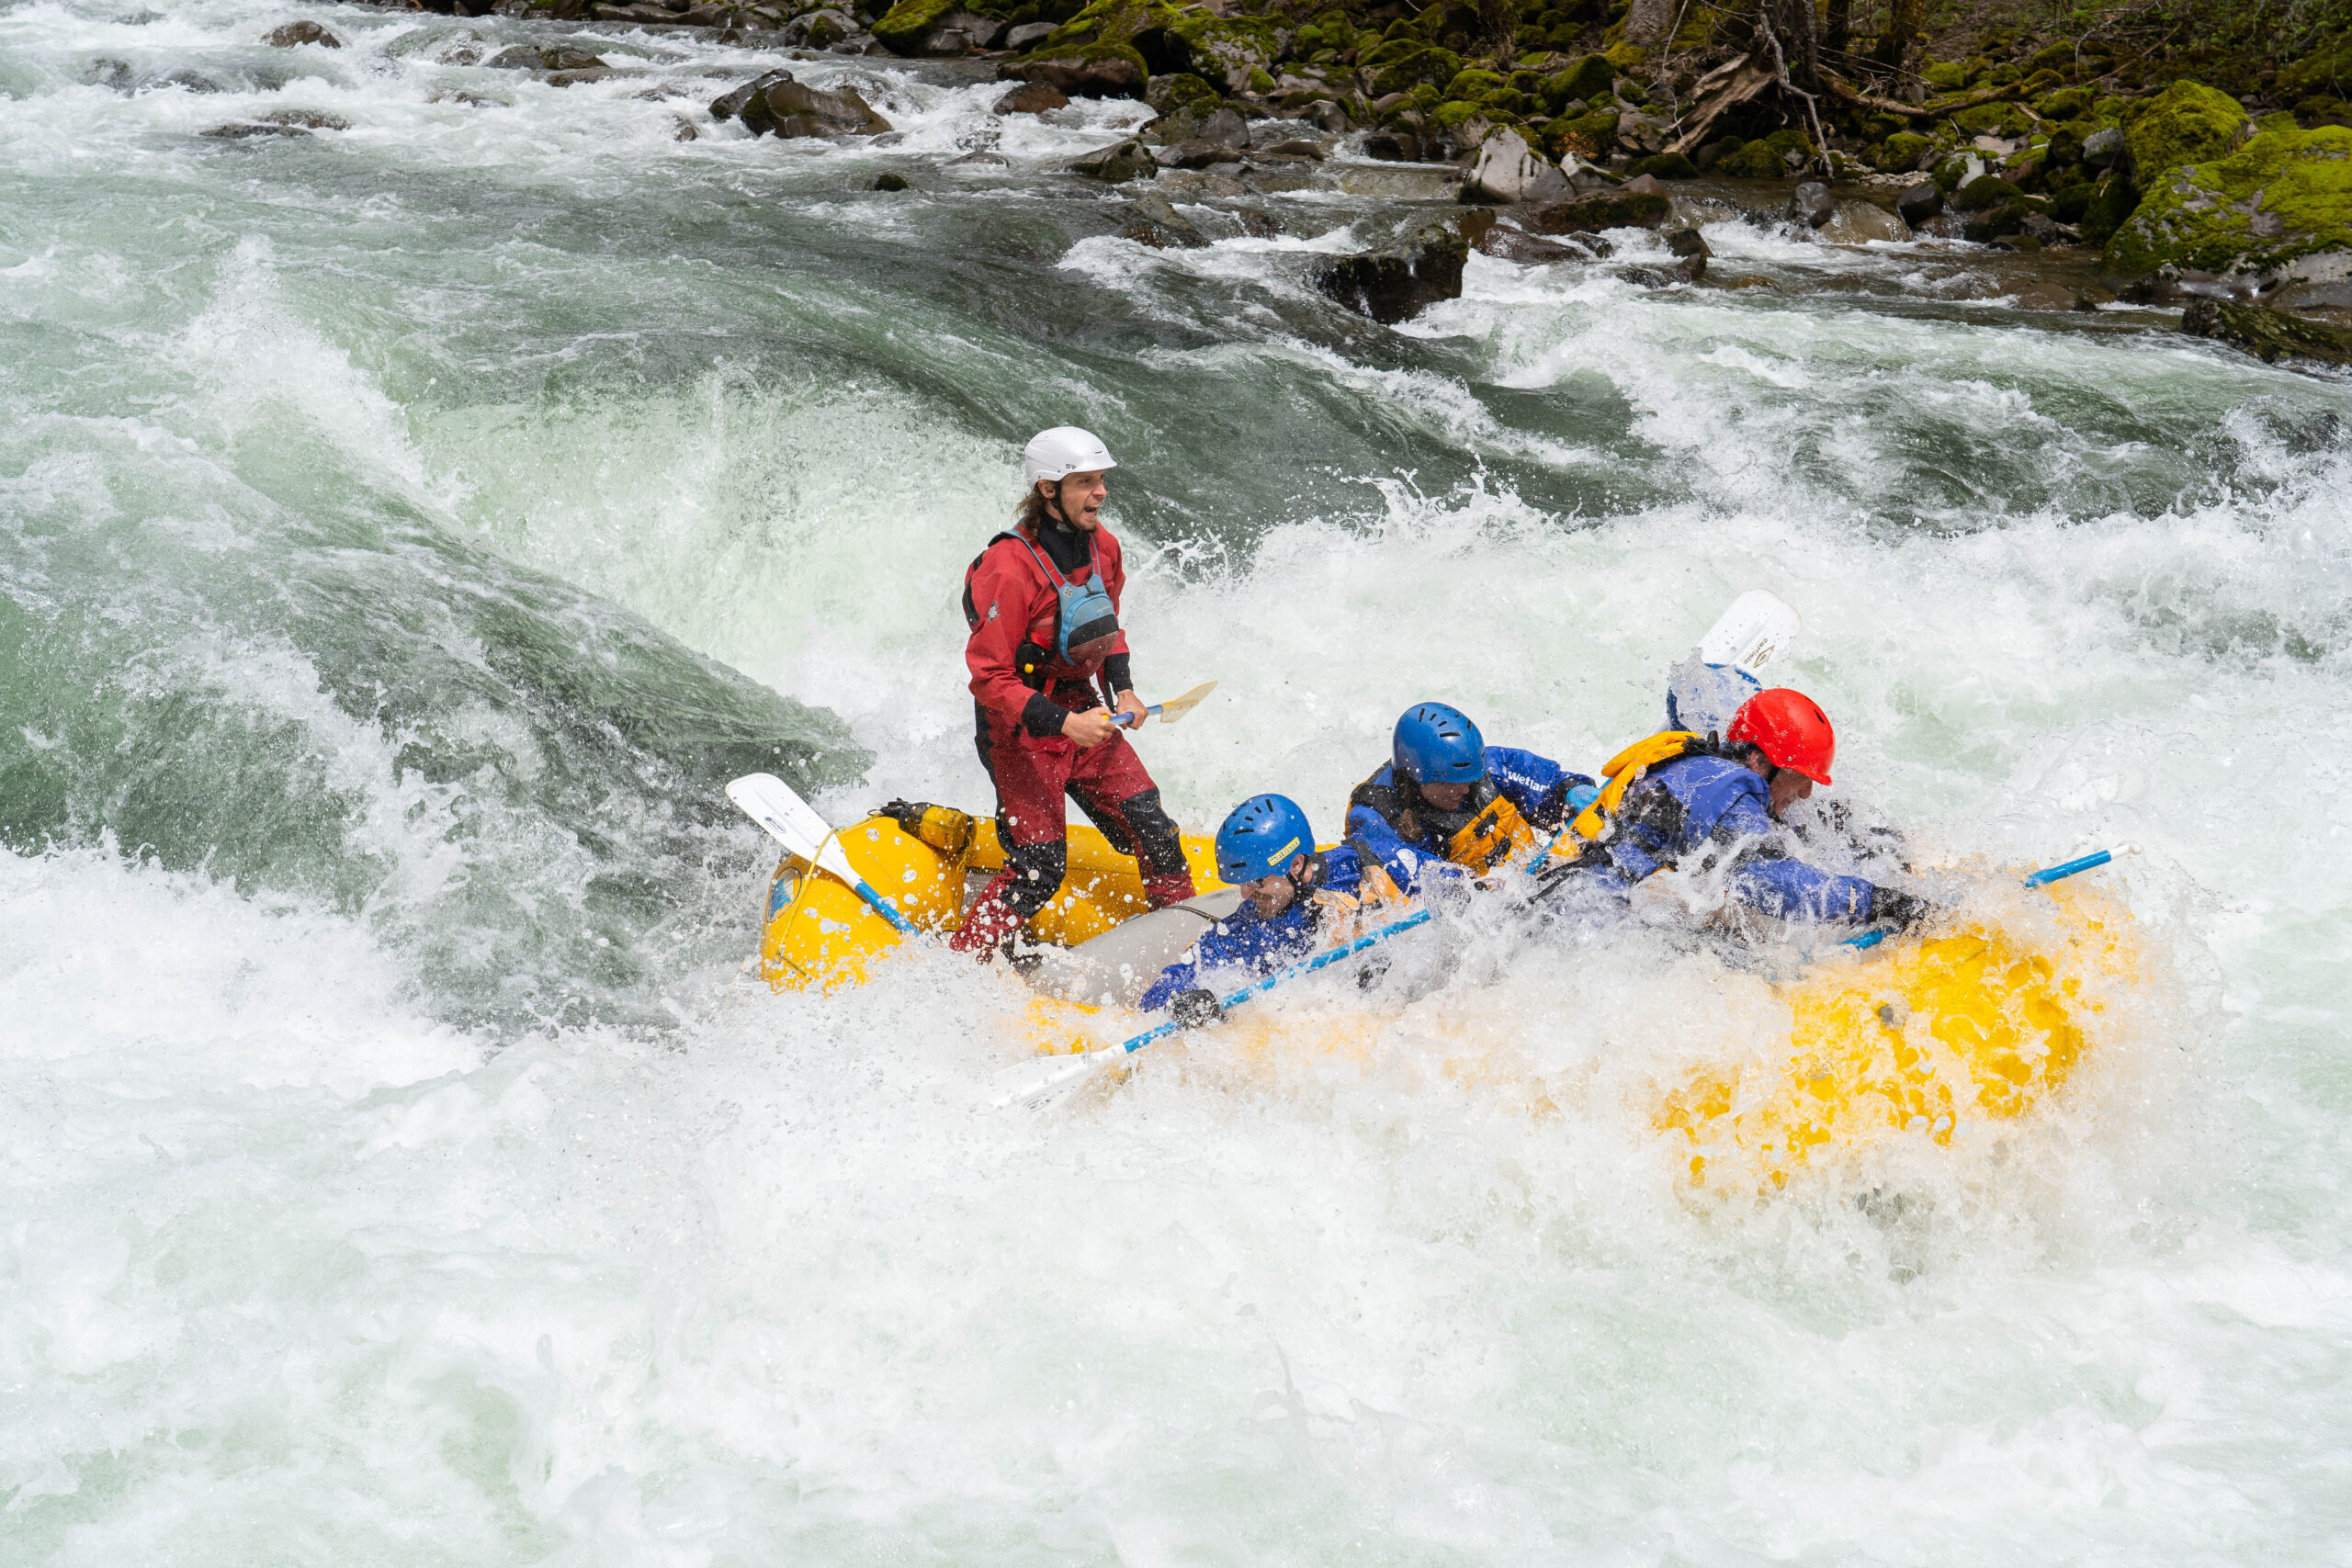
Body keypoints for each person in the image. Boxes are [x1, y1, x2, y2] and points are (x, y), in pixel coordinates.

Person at [951, 426, 1195, 958]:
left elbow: (1104, 629)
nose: (1100, 492)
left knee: (1156, 831)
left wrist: (1124, 690)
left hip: (1079, 703)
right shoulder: (1008, 567)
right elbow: (988, 677)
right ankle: (963, 961)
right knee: (1039, 870)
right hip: (1017, 727)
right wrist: (1065, 725)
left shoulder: (1104, 546)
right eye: (1085, 482)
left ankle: (1182, 951)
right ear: (1047, 489)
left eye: (1101, 480)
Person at [1547, 687, 1928, 929]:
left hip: (1575, 899)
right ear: (1760, 762)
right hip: (1582, 924)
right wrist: (1875, 902)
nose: (1807, 793)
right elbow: (1768, 881)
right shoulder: (1727, 792)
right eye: (1800, 777)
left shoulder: (1709, 766)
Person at [1138, 794, 1400, 1021]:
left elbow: (1440, 886)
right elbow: (1162, 989)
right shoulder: (1246, 930)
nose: (1245, 894)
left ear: (1295, 865)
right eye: (1242, 883)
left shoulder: (1369, 863)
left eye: (1255, 881)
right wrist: (1179, 1001)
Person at [1344, 702, 1593, 894]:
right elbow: (1413, 889)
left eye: (1469, 780)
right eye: (1450, 784)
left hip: (1535, 875)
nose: (1464, 790)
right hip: (1480, 913)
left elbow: (1548, 781)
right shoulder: (1378, 822)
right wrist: (1480, 890)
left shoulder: (1481, 768)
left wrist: (1570, 791)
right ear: (1416, 776)